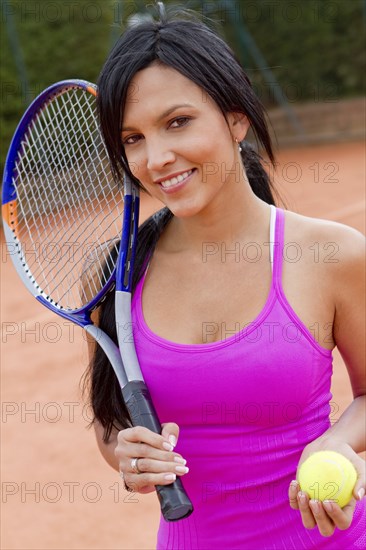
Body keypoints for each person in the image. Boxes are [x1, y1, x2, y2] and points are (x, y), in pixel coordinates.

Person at [84, 9, 366, 549]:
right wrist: (127, 454)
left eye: (177, 122)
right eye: (132, 138)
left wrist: (336, 442)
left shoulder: (333, 254)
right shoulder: (118, 274)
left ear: (236, 119)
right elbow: (110, 422)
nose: (157, 157)